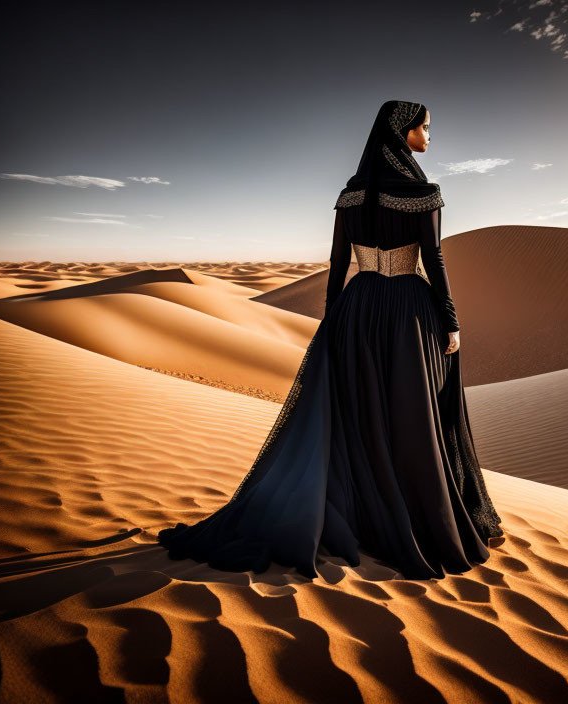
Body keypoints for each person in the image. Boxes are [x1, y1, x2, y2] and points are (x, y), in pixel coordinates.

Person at [157, 100, 504, 579]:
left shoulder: (350, 195)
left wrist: (333, 320)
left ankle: (366, 512)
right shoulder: (424, 193)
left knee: (362, 411)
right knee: (412, 409)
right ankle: (420, 515)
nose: (429, 137)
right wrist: (450, 319)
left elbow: (338, 263)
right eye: (425, 129)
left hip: (358, 308)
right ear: (403, 134)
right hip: (407, 309)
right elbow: (435, 259)